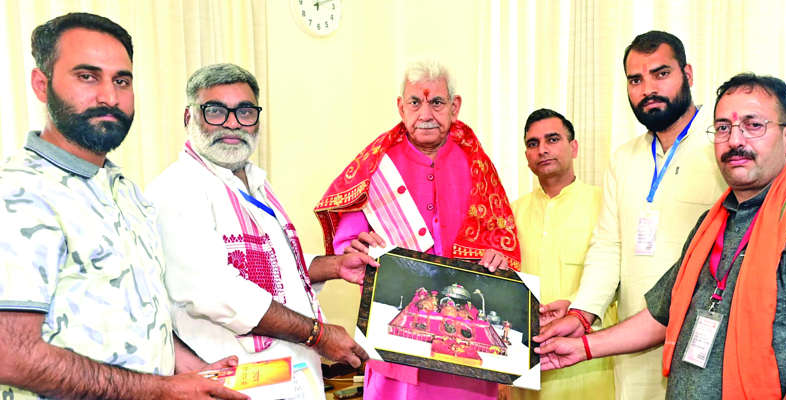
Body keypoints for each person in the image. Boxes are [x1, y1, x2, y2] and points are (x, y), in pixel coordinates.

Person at [537, 73, 786, 399]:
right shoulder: (715, 221)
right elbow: (663, 314)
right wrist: (583, 347)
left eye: (753, 125)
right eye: (723, 127)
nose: (735, 140)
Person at [0, 13, 245, 399]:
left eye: (121, 81)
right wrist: (160, 390)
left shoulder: (125, 191)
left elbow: (134, 318)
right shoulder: (19, 192)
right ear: (41, 84)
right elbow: (11, 355)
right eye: (87, 76)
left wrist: (190, 369)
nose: (109, 97)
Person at [147, 63, 373, 395]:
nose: (232, 123)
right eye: (215, 111)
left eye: (245, 111)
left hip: (292, 377)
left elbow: (270, 267)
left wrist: (334, 266)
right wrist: (318, 335)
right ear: (188, 117)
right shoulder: (178, 189)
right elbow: (217, 292)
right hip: (237, 383)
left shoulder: (253, 182)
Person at [537, 30, 727, 399]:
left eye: (661, 74)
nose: (648, 89)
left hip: (702, 344)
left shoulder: (720, 148)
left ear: (688, 74)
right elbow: (608, 247)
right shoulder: (624, 159)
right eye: (635, 80)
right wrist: (582, 313)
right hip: (630, 346)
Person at [314, 60, 520, 400]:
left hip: (464, 351)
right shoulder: (378, 164)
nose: (425, 113)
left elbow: (501, 239)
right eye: (415, 102)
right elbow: (347, 243)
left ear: (454, 107)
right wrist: (356, 246)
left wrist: (497, 258)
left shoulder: (476, 163)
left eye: (436, 102)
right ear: (400, 107)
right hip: (399, 343)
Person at [508, 108, 614, 400]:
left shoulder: (605, 205)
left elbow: (620, 281)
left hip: (589, 368)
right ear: (526, 155)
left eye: (552, 139)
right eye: (533, 143)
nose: (542, 149)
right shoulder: (511, 213)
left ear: (574, 147)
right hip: (529, 369)